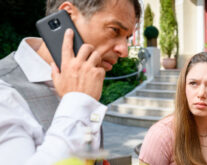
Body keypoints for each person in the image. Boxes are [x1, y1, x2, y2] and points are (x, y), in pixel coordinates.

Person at [0, 0, 141, 164]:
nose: (124, 51)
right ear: (68, 15)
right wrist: (78, 100)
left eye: (127, 37)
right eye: (114, 30)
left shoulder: (84, 81)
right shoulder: (4, 90)